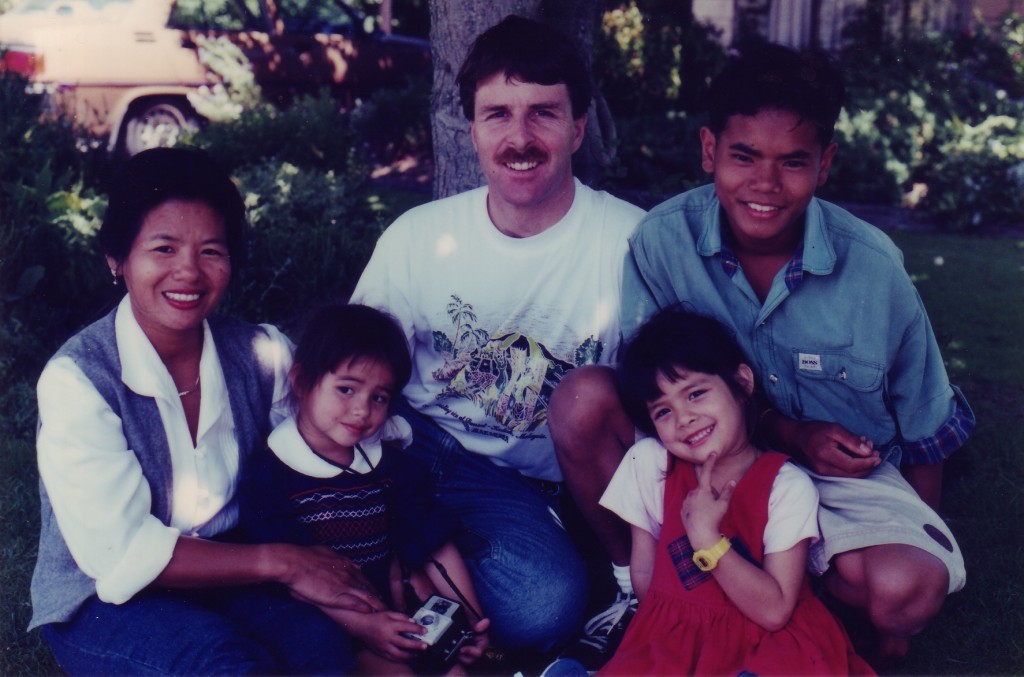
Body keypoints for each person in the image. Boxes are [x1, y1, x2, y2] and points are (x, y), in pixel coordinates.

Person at [552, 43, 974, 667]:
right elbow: (653, 384)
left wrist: (908, 530)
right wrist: (788, 432)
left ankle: (809, 604)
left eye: (793, 162)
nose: (765, 185)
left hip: (841, 482)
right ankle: (635, 592)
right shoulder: (662, 243)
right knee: (582, 397)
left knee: (902, 589)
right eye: (743, 156)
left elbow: (926, 434)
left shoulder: (873, 268)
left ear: (825, 163)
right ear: (708, 151)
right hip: (709, 459)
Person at [350, 14, 646, 656]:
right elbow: (353, 375)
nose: (519, 137)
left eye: (543, 113)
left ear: (579, 125)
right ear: (472, 128)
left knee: (545, 607)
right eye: (498, 115)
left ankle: (432, 580)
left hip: (553, 479)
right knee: (542, 604)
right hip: (426, 448)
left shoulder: (631, 242)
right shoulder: (417, 239)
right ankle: (413, 568)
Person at [29, 147, 381, 675]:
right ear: (117, 259)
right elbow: (121, 554)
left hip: (232, 566)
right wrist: (284, 563)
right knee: (224, 664)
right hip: (107, 597)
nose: (189, 272)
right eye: (164, 248)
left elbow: (330, 446)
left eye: (211, 251)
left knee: (322, 652)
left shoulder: (263, 354)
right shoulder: (78, 380)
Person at [595, 307, 873, 675]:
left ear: (742, 384)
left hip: (764, 638)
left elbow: (774, 611)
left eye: (695, 394)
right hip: (676, 633)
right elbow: (648, 580)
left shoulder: (785, 487)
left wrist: (707, 541)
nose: (684, 419)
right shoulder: (650, 464)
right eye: (663, 411)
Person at [237, 303, 490, 674]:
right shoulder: (270, 477)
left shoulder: (390, 466)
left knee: (455, 672)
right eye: (346, 389)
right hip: (331, 624)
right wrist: (364, 626)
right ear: (302, 380)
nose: (361, 410)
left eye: (379, 398)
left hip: (397, 610)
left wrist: (470, 616)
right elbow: (292, 581)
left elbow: (434, 542)